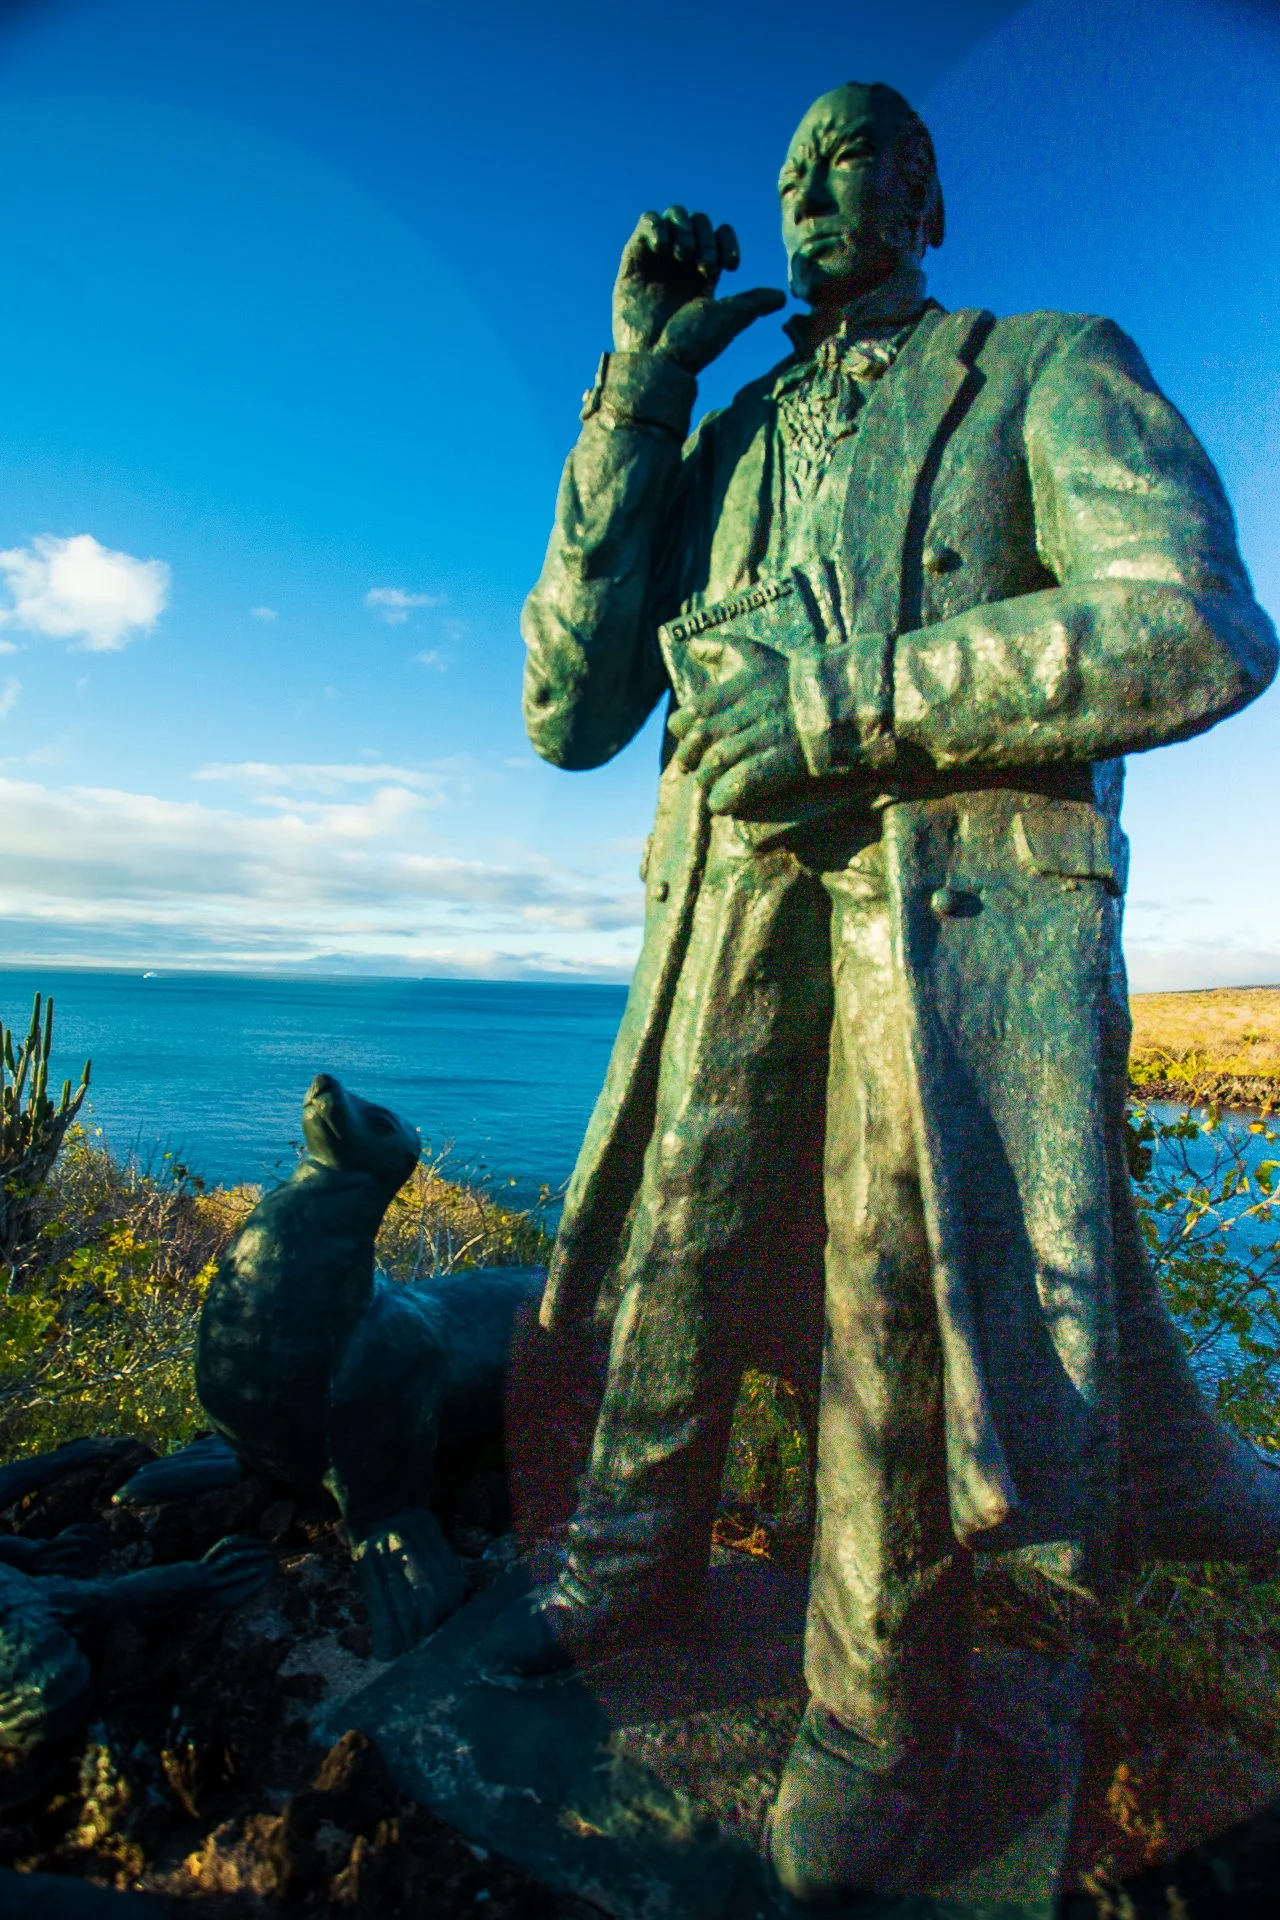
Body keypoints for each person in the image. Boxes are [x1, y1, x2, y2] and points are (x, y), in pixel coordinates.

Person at [493, 81, 1279, 1902]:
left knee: (889, 1289)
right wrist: (635, 399)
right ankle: (625, 1565)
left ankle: (873, 1712)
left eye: (844, 163)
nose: (804, 195)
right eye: (784, 174)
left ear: (924, 193)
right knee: (679, 1226)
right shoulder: (719, 431)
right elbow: (567, 717)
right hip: (716, 932)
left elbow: (1201, 622)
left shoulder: (1047, 364)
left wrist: (856, 706)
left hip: (937, 941)